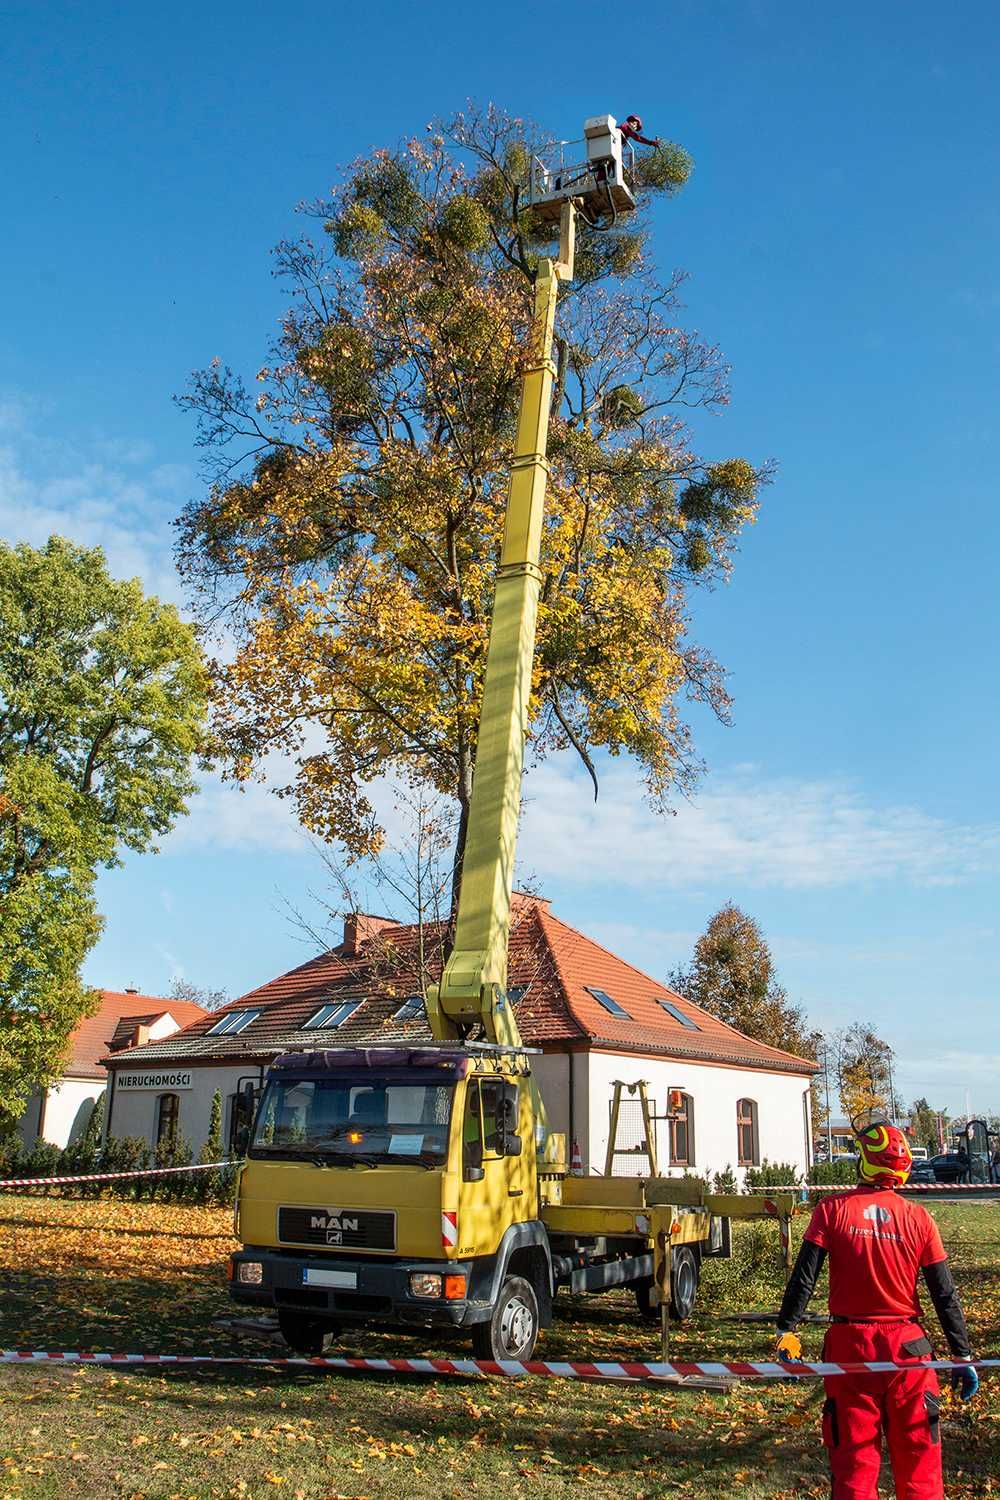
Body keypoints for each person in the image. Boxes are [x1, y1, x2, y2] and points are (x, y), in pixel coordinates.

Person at [774, 1116, 978, 1499]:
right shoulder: (919, 1218)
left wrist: (787, 1329)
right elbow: (944, 1292)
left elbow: (805, 1274)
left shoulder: (831, 1210)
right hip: (911, 1352)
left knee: (854, 1469)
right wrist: (961, 1354)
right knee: (921, 1470)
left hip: (850, 1351)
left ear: (864, 1160)